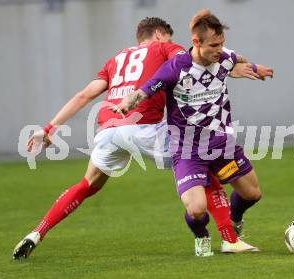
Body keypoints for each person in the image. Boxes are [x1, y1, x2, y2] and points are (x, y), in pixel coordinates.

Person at [13, 16, 260, 260]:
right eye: (168, 37)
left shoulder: (116, 60)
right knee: (200, 155)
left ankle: (37, 232)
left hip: (109, 130)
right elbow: (192, 65)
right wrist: (231, 67)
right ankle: (229, 237)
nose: (172, 42)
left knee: (86, 185)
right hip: (145, 127)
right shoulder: (165, 47)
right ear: (158, 35)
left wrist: (49, 129)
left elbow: (83, 95)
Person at [115, 9, 274, 256]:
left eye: (221, 43)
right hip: (187, 150)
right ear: (196, 42)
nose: (219, 50)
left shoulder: (224, 56)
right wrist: (128, 103)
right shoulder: (175, 68)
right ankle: (201, 236)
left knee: (253, 194)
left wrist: (254, 67)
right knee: (197, 209)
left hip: (222, 145)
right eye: (213, 45)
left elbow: (236, 58)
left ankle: (234, 219)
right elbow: (146, 89)